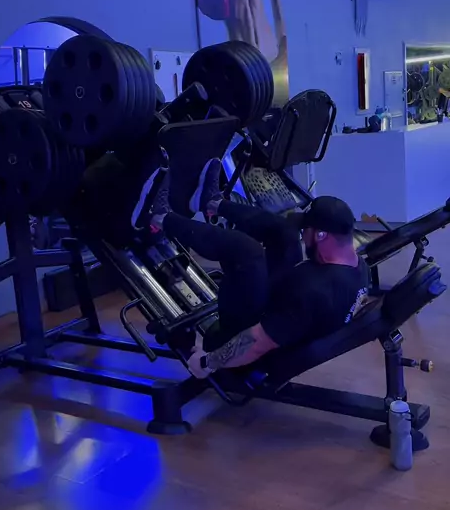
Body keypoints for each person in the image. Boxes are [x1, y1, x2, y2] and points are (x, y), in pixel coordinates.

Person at [133, 159, 369, 380]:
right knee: (285, 232)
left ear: (321, 235)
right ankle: (212, 203)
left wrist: (206, 362)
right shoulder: (358, 268)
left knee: (247, 252)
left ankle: (159, 217)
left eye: (306, 231)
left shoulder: (313, 294)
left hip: (245, 346)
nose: (303, 236)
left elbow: (257, 343)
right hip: (279, 302)